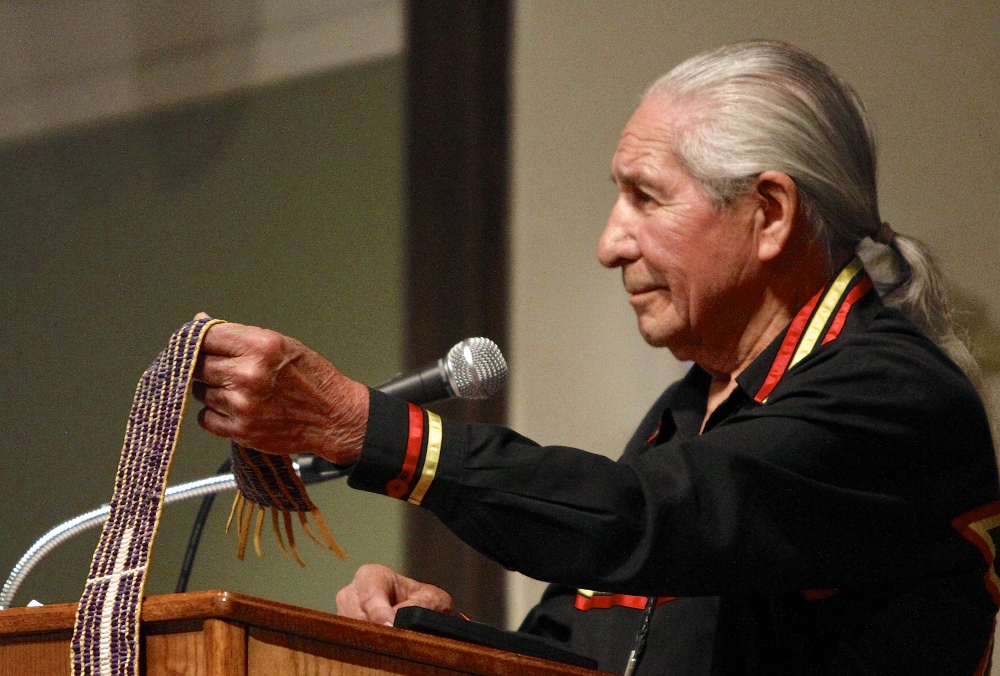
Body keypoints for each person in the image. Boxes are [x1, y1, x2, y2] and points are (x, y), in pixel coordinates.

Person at [193, 41, 1000, 674]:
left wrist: (369, 428)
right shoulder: (692, 407)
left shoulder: (893, 396)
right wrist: (441, 639)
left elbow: (645, 521)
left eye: (646, 197)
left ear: (769, 213)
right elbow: (587, 648)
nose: (610, 243)